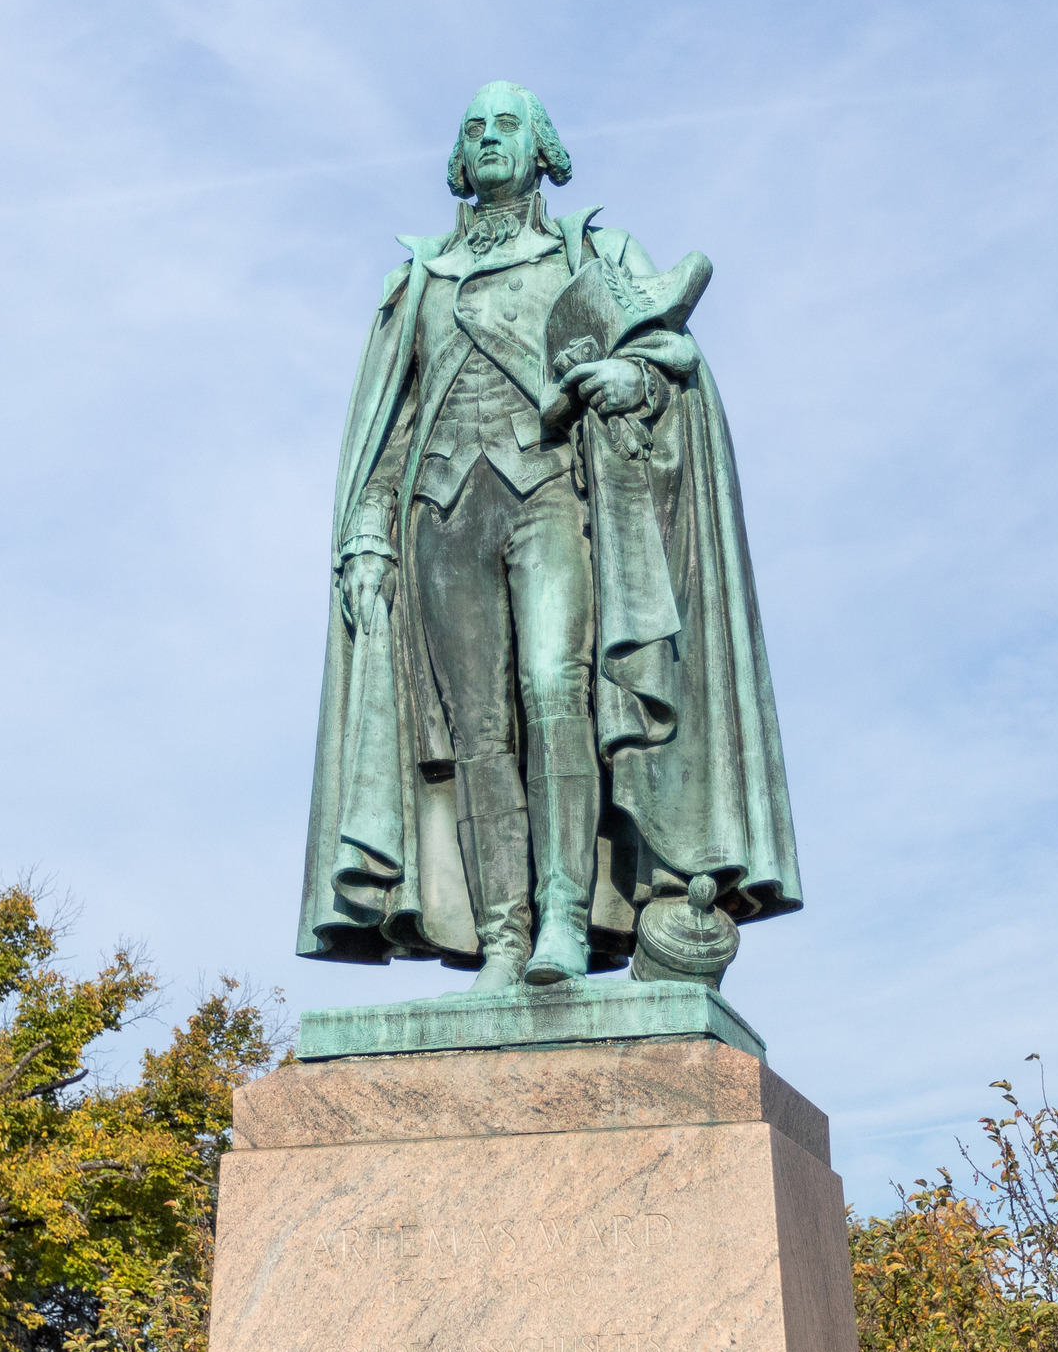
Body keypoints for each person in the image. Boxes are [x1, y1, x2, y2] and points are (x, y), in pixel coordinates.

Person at [296, 81, 800, 987]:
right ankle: (500, 938)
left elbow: (662, 358)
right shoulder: (420, 280)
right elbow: (393, 426)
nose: (488, 139)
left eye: (506, 127)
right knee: (478, 731)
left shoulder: (590, 253)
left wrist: (629, 381)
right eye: (473, 129)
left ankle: (565, 918)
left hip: (547, 494)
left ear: (543, 150)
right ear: (459, 159)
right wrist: (367, 531)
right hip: (440, 513)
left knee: (553, 691)